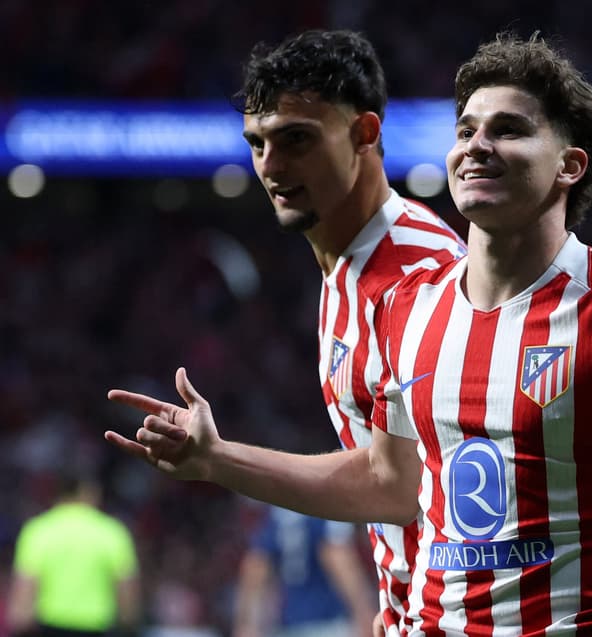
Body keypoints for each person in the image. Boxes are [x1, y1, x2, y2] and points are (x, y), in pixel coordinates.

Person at [105, 32, 592, 635]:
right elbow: (391, 478)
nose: (477, 145)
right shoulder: (409, 307)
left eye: (507, 129)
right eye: (466, 130)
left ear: (569, 165)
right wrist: (218, 460)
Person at [112, 29, 466, 636]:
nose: (270, 167)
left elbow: (396, 485)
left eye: (297, 139)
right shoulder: (349, 265)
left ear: (365, 133)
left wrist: (219, 460)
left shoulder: (414, 278)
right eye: (258, 143)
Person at [7, 470, 140, 637]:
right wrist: (129, 624)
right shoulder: (112, 532)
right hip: (96, 628)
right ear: (89, 492)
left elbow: (26, 585)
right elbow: (126, 588)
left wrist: (19, 624)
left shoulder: (39, 530)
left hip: (49, 628)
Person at [233, 507, 376, 637]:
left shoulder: (276, 513)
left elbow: (256, 567)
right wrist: (363, 610)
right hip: (328, 623)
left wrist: (246, 623)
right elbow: (335, 556)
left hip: (288, 625)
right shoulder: (325, 507)